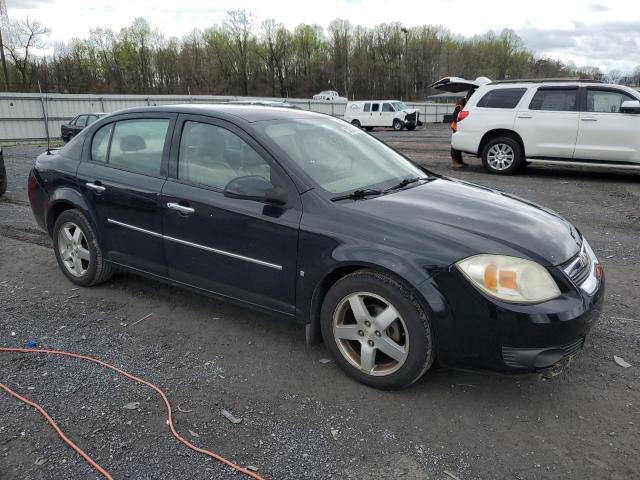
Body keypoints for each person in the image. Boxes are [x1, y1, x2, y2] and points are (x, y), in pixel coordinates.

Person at [449, 89, 475, 169]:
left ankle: (460, 162)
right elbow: (455, 118)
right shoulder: (459, 105)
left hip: (460, 125)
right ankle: (455, 162)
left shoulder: (464, 103)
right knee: (455, 146)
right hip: (456, 126)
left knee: (458, 145)